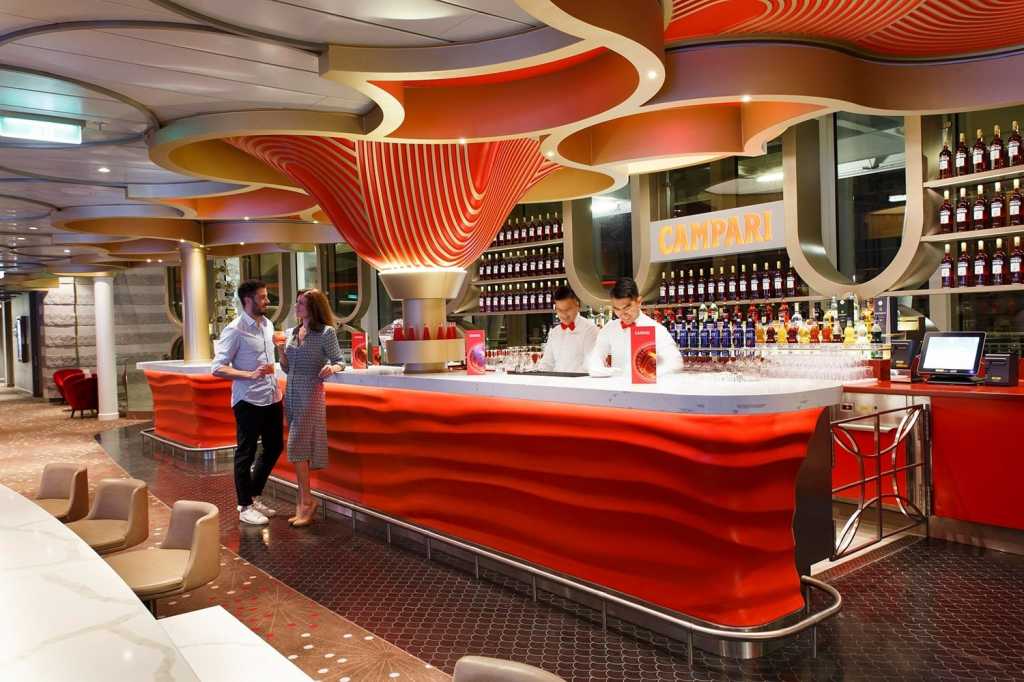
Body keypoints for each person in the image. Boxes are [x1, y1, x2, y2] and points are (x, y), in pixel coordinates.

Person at [212, 279, 283, 526]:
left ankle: (252, 496)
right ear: (248, 300)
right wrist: (249, 374)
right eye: (263, 297)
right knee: (246, 452)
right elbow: (217, 368)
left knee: (274, 447)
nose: (267, 301)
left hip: (272, 396)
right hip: (248, 400)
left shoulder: (268, 325)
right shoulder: (234, 329)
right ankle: (244, 506)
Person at [275, 288, 345, 527]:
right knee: (300, 448)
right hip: (291, 394)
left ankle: (307, 501)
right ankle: (302, 501)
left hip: (311, 393)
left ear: (313, 307)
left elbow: (340, 361)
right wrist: (281, 351)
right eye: (297, 303)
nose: (296, 307)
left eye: (301, 304)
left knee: (295, 446)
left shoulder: (326, 332)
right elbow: (286, 368)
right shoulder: (293, 332)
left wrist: (332, 368)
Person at [586, 276, 683, 376]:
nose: (622, 314)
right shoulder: (610, 329)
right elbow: (595, 358)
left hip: (646, 384)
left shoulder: (656, 329)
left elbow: (675, 362)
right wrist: (607, 371)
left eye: (626, 308)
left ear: (639, 301)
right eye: (617, 309)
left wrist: (649, 373)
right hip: (617, 384)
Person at [538, 285, 598, 374]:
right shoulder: (554, 332)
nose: (564, 315)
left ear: (577, 305)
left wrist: (567, 380)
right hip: (556, 381)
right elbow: (547, 363)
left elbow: (589, 364)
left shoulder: (590, 329)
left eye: (568, 309)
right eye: (559, 310)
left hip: (579, 381)